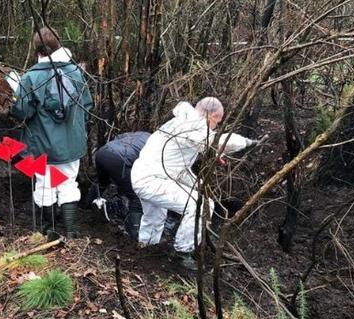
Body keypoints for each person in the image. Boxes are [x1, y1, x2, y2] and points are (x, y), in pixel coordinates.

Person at [131, 97, 260, 270]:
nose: (216, 127)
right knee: (201, 206)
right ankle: (182, 254)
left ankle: (145, 249)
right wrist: (247, 142)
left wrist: (196, 183)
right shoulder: (192, 128)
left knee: (155, 216)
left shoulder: (181, 121)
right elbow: (219, 142)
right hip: (152, 180)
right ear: (211, 116)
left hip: (144, 174)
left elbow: (175, 165)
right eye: (217, 122)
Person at [10, 27, 93, 241]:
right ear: (58, 45)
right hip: (71, 145)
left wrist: (16, 93)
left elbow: (22, 112)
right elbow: (87, 105)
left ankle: (49, 231)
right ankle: (72, 232)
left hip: (41, 146)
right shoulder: (75, 72)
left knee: (45, 184)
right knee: (67, 183)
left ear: (37, 50)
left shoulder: (30, 78)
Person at [93, 132, 151, 238]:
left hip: (102, 152)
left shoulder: (142, 134)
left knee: (102, 183)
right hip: (120, 159)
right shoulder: (158, 146)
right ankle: (134, 235)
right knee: (136, 197)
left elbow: (117, 138)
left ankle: (88, 207)